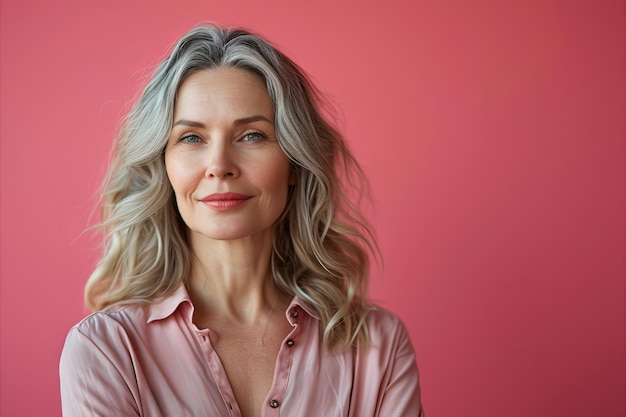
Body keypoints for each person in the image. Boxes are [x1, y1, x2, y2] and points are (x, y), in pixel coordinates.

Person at [59, 24, 424, 417]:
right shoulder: (107, 350)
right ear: (163, 165)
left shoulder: (376, 346)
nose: (219, 166)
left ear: (294, 163)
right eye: (191, 138)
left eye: (251, 135)